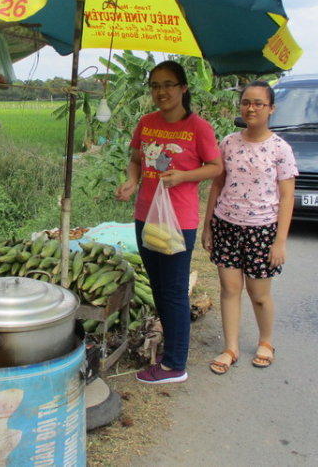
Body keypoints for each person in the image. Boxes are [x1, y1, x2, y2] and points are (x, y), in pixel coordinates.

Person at [116, 60, 222, 384]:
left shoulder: (198, 127)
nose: (161, 92)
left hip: (179, 220)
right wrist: (132, 182)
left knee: (174, 290)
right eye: (155, 86)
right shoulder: (146, 122)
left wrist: (185, 176)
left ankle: (175, 364)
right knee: (160, 287)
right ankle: (170, 349)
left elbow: (216, 167)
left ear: (183, 88)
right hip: (146, 215)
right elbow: (136, 159)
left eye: (168, 85)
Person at [201, 80, 297, 375]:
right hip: (227, 225)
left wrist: (279, 241)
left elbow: (287, 196)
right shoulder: (228, 142)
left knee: (258, 294)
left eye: (258, 103)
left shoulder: (280, 148)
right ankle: (230, 347)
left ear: (271, 109)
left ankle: (265, 341)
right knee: (229, 289)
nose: (251, 107)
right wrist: (208, 227)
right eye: (246, 102)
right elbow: (217, 184)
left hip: (262, 230)